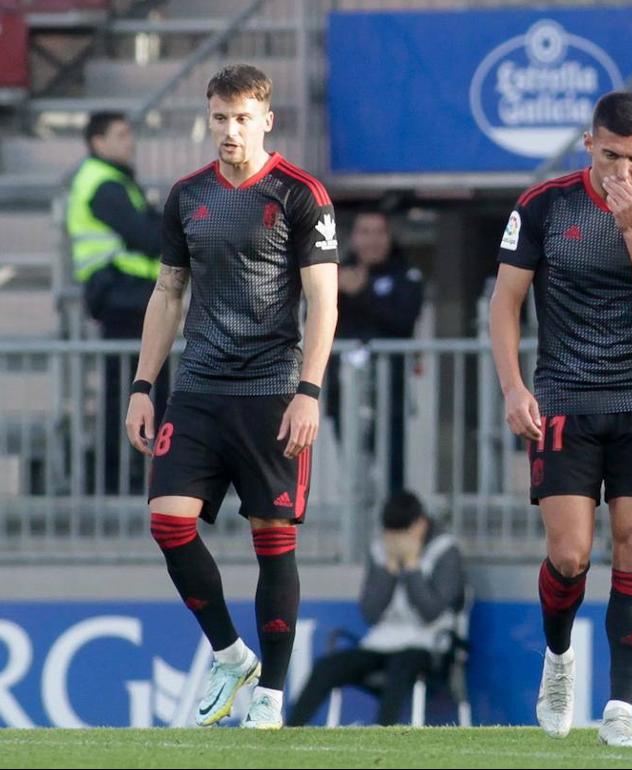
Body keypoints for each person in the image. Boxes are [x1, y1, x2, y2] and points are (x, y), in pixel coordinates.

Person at [124, 63, 338, 730]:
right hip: (198, 389)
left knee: (272, 538)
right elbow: (168, 292)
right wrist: (143, 385)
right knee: (168, 522)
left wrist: (309, 391)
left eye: (242, 118)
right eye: (220, 118)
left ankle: (270, 693)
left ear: (266, 120)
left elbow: (324, 301)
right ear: (208, 119)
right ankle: (229, 654)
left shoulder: (300, 194)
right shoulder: (188, 196)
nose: (230, 130)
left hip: (272, 392)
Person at [489, 91, 632, 748]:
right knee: (570, 554)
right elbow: (505, 302)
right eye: (610, 156)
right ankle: (558, 660)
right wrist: (513, 387)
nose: (622, 171)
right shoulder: (543, 206)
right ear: (589, 145)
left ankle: (619, 711)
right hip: (565, 398)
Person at [287, 491, 466, 726]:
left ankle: (383, 733)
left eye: (403, 532)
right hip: (382, 642)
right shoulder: (380, 551)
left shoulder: (445, 550)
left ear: (420, 524)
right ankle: (290, 729)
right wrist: (389, 569)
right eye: (391, 534)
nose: (397, 540)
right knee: (327, 667)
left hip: (429, 644)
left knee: (400, 666)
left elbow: (431, 612)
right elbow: (371, 613)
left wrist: (412, 566)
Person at [66, 112, 166, 493]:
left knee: (138, 387)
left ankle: (135, 472)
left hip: (130, 297)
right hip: (122, 297)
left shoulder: (117, 180)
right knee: (130, 390)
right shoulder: (103, 184)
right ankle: (120, 475)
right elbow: (148, 237)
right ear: (98, 142)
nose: (130, 142)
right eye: (121, 135)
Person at [328, 210, 424, 491]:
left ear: (389, 237)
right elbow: (316, 320)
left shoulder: (405, 274)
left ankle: (393, 515)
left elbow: (403, 320)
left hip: (390, 388)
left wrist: (363, 292)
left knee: (391, 466)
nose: (372, 240)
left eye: (379, 232)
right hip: (344, 388)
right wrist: (337, 291)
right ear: (353, 238)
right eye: (365, 232)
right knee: (353, 467)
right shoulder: (335, 273)